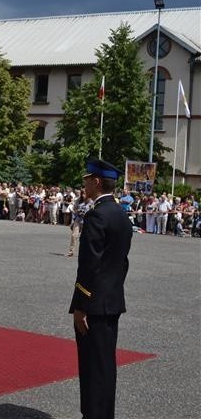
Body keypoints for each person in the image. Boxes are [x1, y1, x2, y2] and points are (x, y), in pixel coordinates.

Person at [70, 158, 132, 419]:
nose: (83, 183)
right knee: (106, 365)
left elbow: (88, 265)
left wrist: (80, 306)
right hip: (112, 300)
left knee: (92, 366)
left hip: (93, 304)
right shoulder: (120, 214)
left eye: (86, 179)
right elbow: (122, 262)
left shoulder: (97, 214)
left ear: (96, 181)